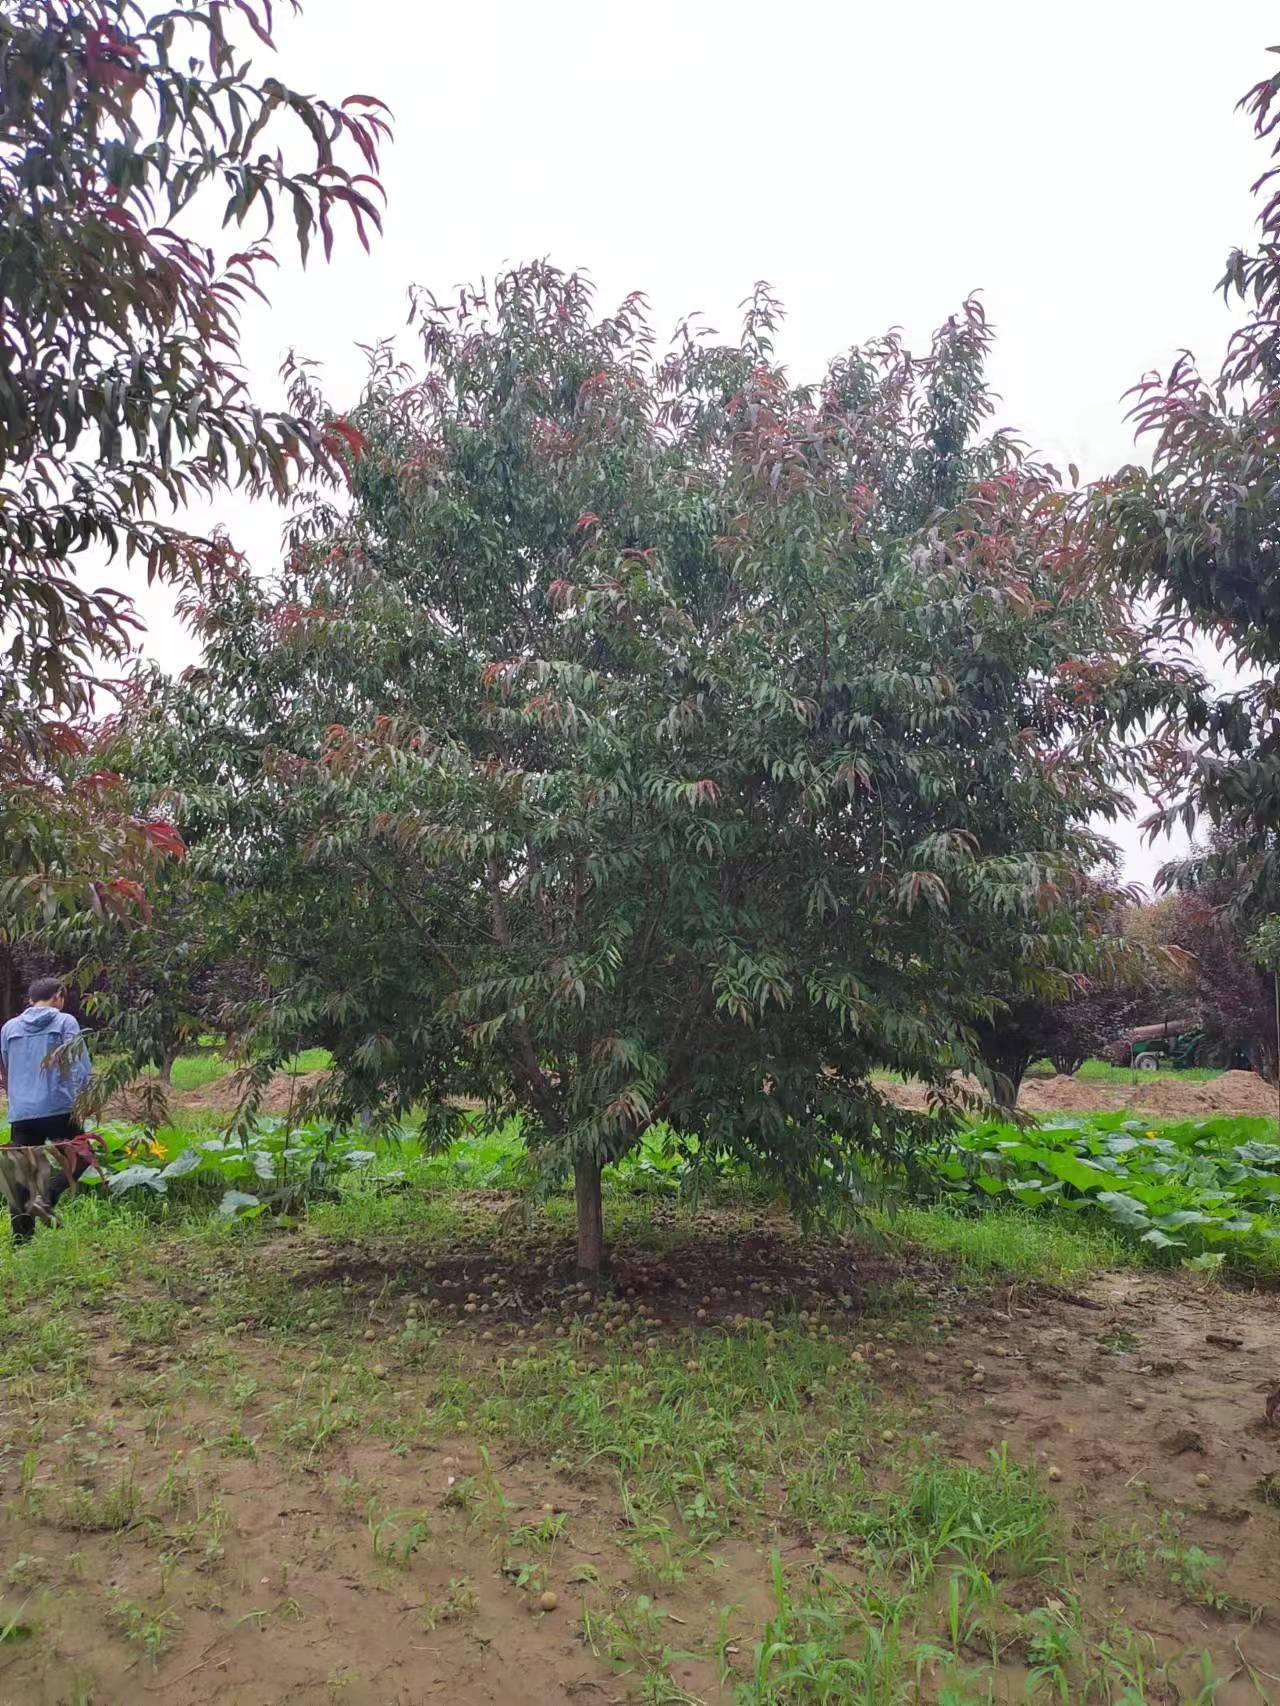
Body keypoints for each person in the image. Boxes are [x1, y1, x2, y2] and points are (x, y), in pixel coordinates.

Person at [0, 977, 92, 1240]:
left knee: (22, 1175)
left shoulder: (9, 1028)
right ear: (58, 996)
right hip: (59, 1107)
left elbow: (7, 1065)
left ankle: (21, 1238)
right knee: (83, 1157)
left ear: (31, 1000)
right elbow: (79, 1065)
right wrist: (86, 1096)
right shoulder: (65, 1022)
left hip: (22, 1112)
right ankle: (48, 1195)